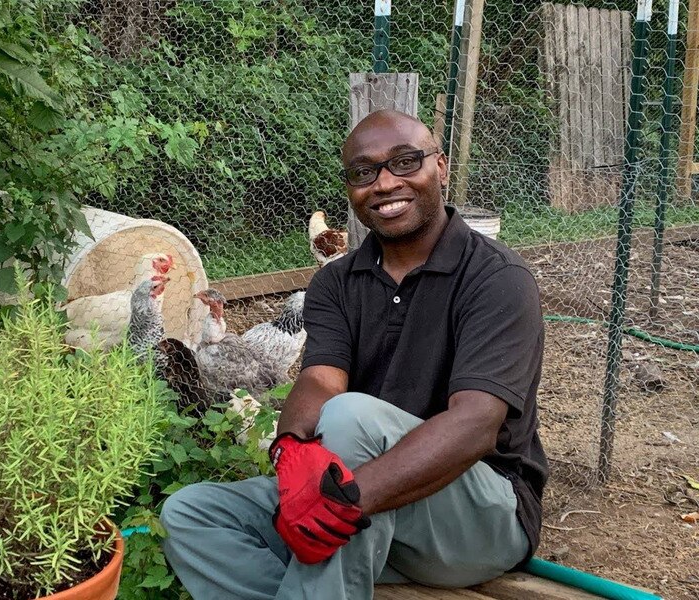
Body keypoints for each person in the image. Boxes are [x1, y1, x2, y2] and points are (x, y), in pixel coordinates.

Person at [160, 109, 548, 600]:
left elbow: (475, 423)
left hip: (479, 518)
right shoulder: (336, 283)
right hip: (371, 505)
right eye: (364, 172)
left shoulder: (496, 279)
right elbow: (321, 381)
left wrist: (345, 499)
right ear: (350, 188)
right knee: (190, 515)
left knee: (351, 418)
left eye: (405, 162)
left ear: (441, 167)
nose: (385, 183)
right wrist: (292, 448)